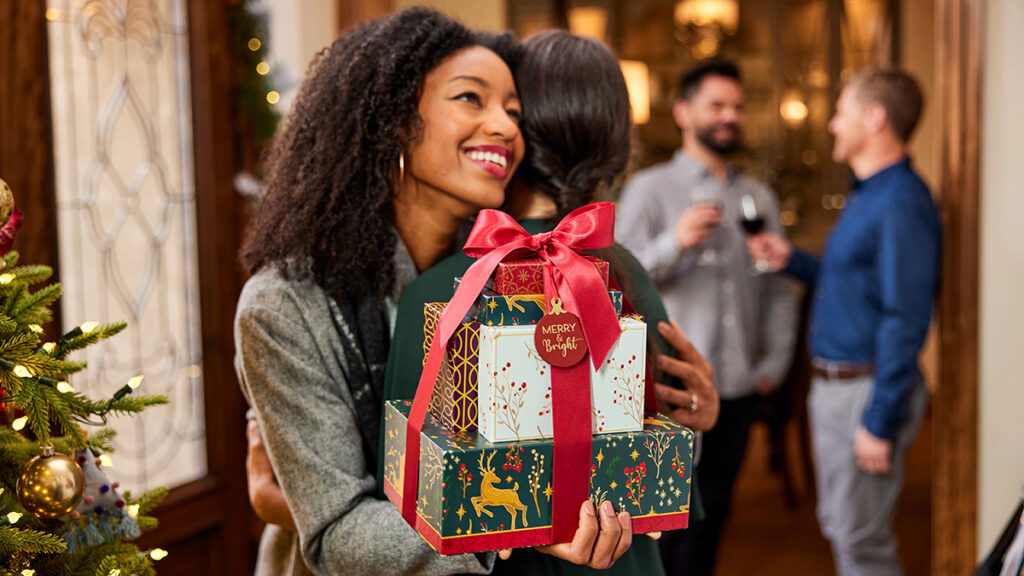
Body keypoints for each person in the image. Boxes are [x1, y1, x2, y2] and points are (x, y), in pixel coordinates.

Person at [235, 10, 630, 576]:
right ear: (391, 119)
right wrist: (514, 523)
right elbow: (338, 531)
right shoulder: (284, 304)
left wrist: (686, 412)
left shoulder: (513, 269)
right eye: (471, 98)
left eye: (515, 112)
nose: (505, 127)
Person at [382, 30, 718, 576]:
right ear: (613, 143)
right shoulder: (625, 275)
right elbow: (668, 475)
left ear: (517, 130)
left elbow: (403, 488)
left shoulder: (442, 289)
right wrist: (699, 425)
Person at [747, 67, 940, 576]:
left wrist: (879, 420)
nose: (832, 124)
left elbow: (906, 316)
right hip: (838, 388)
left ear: (875, 119)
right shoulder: (869, 194)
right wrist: (791, 259)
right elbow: (852, 282)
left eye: (842, 111)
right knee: (841, 527)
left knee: (861, 544)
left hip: (864, 392)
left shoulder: (901, 203)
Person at [615, 60, 797, 576]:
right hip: (670, 390)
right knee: (664, 527)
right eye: (717, 105)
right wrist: (674, 242)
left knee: (714, 518)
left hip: (738, 385)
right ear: (682, 112)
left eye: (737, 107)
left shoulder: (758, 196)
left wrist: (776, 363)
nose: (729, 116)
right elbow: (614, 281)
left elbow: (779, 289)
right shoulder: (650, 190)